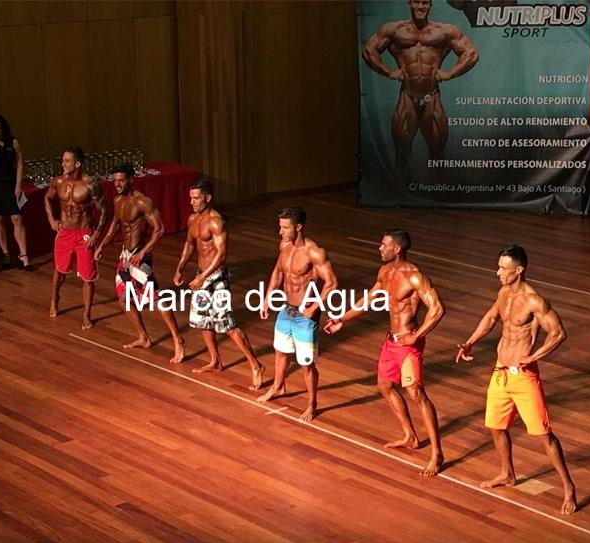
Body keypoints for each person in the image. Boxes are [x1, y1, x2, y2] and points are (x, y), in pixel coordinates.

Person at [455, 244, 577, 514]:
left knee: (543, 435)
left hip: (523, 377)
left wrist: (534, 356)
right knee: (495, 426)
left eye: (503, 268)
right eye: (498, 267)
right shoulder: (503, 293)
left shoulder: (534, 301)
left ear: (519, 270)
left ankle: (568, 486)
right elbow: (491, 318)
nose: (498, 272)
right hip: (500, 371)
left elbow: (558, 333)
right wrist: (470, 342)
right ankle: (507, 473)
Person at [324, 229, 446, 476]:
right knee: (385, 385)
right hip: (391, 341)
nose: (380, 248)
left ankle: (437, 454)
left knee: (416, 393)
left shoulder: (415, 277)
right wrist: (342, 319)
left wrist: (416, 336)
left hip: (408, 344)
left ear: (397, 249)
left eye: (384, 245)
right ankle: (410, 436)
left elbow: (438, 309)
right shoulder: (385, 272)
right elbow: (368, 300)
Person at [362, 0, 478, 183]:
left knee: (437, 155)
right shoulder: (394, 30)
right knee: (401, 154)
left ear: (430, 5)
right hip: (407, 97)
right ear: (409, 3)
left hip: (432, 98)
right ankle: (403, 194)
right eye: (417, 2)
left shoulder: (444, 31)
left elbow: (471, 54)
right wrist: (388, 72)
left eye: (425, 2)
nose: (421, 6)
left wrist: (450, 73)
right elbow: (369, 51)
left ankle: (438, 194)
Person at [173, 179, 264, 390]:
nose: (192, 202)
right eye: (191, 198)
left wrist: (203, 277)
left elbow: (221, 254)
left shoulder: (216, 222)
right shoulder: (192, 219)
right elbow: (189, 244)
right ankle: (215, 361)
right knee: (203, 321)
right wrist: (179, 268)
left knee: (227, 325)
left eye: (196, 198)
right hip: (201, 276)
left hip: (217, 278)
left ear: (207, 198)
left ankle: (256, 365)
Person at [94, 163, 185, 363]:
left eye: (121, 180)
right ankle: (143, 337)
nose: (117, 184)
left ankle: (178, 339)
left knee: (155, 297)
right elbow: (114, 226)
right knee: (123, 298)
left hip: (139, 255)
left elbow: (159, 229)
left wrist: (143, 252)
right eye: (115, 181)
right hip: (125, 256)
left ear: (131, 179)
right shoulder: (118, 200)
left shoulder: (143, 201)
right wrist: (101, 246)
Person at [255, 207, 338, 422]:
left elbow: (331, 283)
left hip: (305, 316)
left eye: (285, 227)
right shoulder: (284, 246)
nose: (280, 232)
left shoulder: (314, 252)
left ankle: (312, 404)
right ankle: (278, 386)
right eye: (280, 227)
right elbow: (278, 272)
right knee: (280, 352)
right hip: (286, 309)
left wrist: (313, 308)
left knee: (306, 363)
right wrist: (267, 298)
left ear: (298, 227)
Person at [45, 146, 108, 330]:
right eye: (62, 160)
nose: (63, 164)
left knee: (87, 277)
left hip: (84, 234)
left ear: (77, 163)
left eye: (67, 161)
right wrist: (51, 219)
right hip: (64, 232)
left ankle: (87, 314)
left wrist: (96, 234)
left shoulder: (90, 184)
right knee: (59, 270)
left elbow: (105, 210)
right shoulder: (58, 181)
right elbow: (47, 198)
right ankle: (55, 299)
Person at [0, 113, 32, 270]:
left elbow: (19, 163)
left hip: (11, 183)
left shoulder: (13, 142)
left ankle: (24, 256)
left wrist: (18, 185)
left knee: (17, 218)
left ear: (3, 128)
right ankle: (6, 254)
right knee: (0, 220)